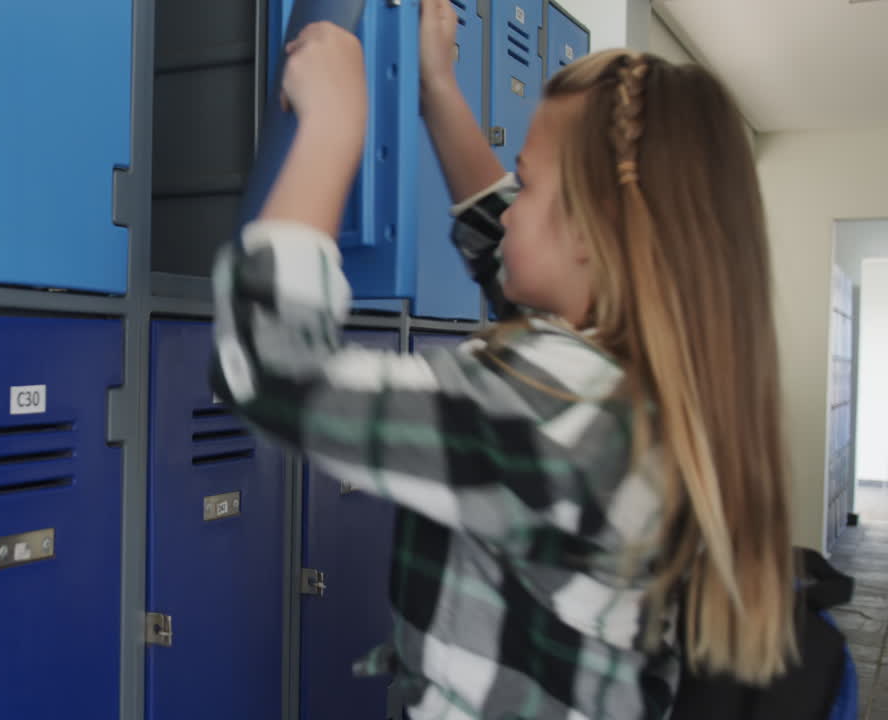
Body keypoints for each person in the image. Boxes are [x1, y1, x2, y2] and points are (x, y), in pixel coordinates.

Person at [208, 0, 797, 717]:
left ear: (596, 229)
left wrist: (333, 126)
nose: (511, 206)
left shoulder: (556, 416)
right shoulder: (631, 389)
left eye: (531, 184)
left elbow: (273, 369)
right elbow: (513, 264)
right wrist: (439, 89)